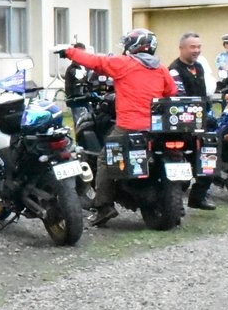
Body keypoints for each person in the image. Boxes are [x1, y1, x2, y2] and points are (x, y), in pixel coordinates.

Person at [57, 28, 177, 226]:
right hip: (156, 128)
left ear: (134, 45)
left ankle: (103, 206)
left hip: (130, 126)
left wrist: (70, 51)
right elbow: (171, 91)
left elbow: (95, 61)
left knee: (105, 158)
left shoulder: (124, 63)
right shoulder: (161, 68)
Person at [168, 32, 215, 211]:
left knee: (208, 162)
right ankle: (174, 205)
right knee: (177, 168)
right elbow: (178, 98)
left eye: (198, 47)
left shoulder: (199, 67)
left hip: (201, 123)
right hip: (182, 126)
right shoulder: (174, 70)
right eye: (192, 47)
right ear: (181, 48)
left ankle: (198, 197)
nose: (196, 50)